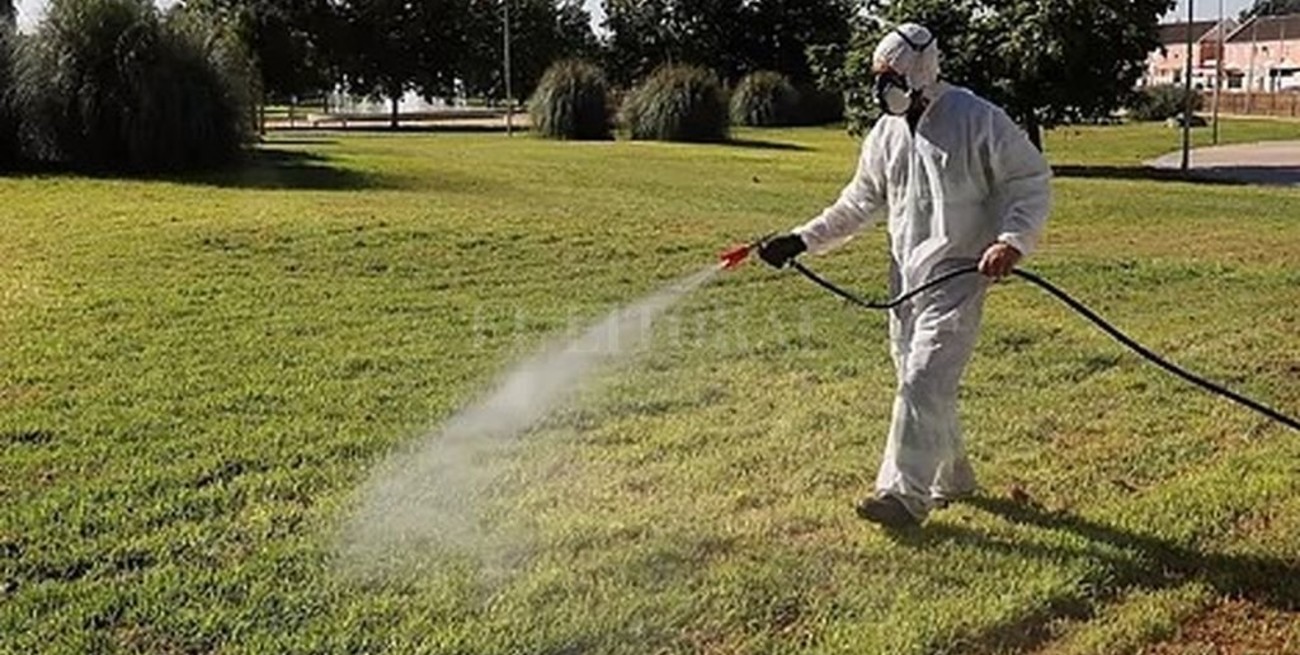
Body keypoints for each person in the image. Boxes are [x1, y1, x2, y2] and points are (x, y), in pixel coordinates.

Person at [757, 23, 1051, 528]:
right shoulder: (885, 134)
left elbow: (1029, 181)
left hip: (959, 272)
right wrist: (802, 239)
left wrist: (1011, 241)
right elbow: (858, 203)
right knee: (921, 381)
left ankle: (902, 494)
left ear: (919, 71)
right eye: (878, 77)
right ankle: (952, 478)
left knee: (922, 379)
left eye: (889, 75)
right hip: (905, 279)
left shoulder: (977, 119)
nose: (880, 86)